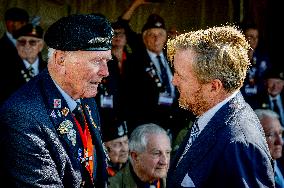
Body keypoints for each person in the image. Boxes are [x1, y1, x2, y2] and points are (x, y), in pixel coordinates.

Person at [0, 13, 114, 187]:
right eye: (97, 61)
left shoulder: (85, 98)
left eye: (107, 61)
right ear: (61, 59)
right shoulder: (22, 114)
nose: (105, 72)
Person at [166, 25, 275, 187]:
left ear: (214, 87)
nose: (173, 81)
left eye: (181, 76)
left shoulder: (238, 144)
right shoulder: (209, 116)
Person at [108, 123, 171, 188]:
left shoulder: (174, 180)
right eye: (156, 153)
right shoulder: (112, 185)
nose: (165, 162)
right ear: (135, 157)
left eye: (167, 152)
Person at [0, 23, 46, 105]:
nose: (27, 46)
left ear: (41, 46)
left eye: (32, 42)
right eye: (22, 42)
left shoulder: (50, 70)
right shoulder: (5, 70)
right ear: (17, 45)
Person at [0, 7, 29, 105]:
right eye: (21, 23)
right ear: (8, 23)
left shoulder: (31, 45)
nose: (24, 26)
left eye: (25, 23)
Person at [240, 22, 271, 109]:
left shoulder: (263, 59)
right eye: (251, 37)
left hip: (259, 102)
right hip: (240, 104)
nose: (255, 40)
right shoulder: (233, 59)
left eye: (256, 37)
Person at [254, 109, 284, 188]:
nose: (280, 142)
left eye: (280, 133)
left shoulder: (280, 161)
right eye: (271, 135)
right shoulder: (251, 176)